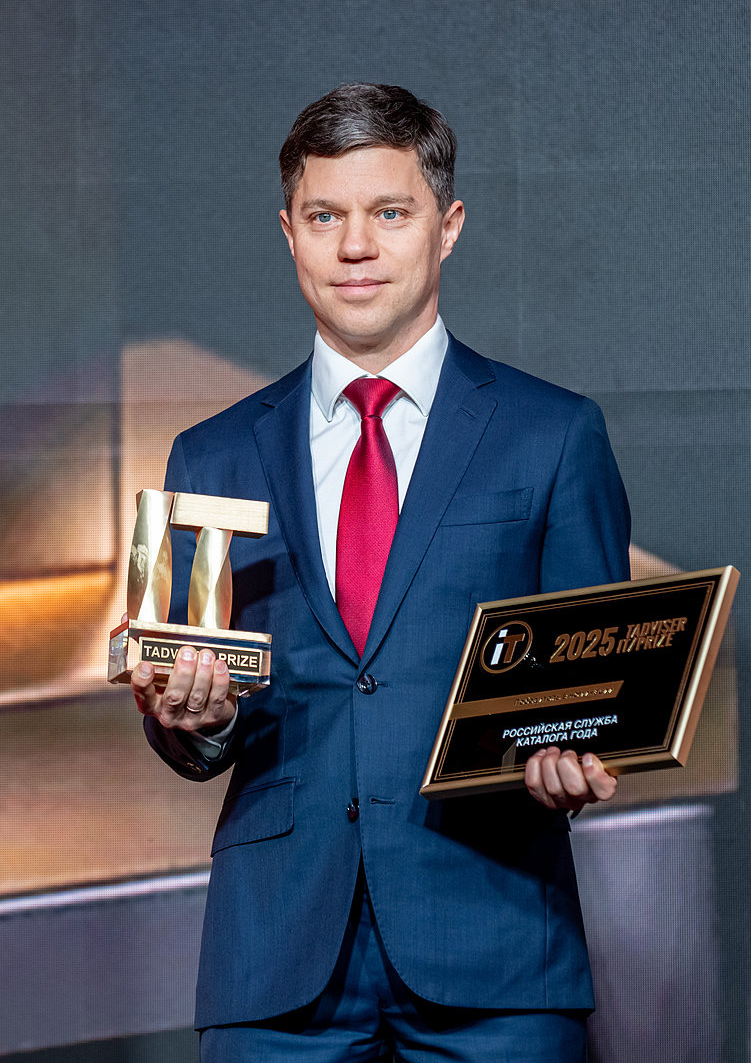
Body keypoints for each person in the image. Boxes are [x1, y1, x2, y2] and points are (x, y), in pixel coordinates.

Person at [132, 83, 630, 1062]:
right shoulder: (209, 453)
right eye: (325, 216)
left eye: (389, 213)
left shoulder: (553, 433)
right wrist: (193, 717)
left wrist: (572, 753)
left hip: (495, 937)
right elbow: (183, 717)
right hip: (274, 956)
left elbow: (593, 685)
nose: (355, 246)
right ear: (290, 233)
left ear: (448, 226)